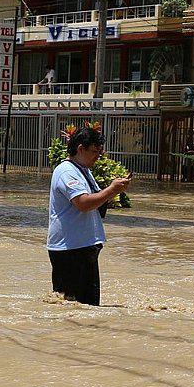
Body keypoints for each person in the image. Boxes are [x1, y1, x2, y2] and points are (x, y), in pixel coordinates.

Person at [46, 126, 131, 306]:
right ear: (80, 149)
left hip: (83, 246)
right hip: (70, 249)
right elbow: (83, 203)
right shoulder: (67, 171)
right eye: (94, 152)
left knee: (88, 307)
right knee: (72, 306)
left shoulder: (83, 170)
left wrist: (112, 192)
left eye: (99, 153)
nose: (97, 157)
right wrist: (112, 189)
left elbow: (93, 202)